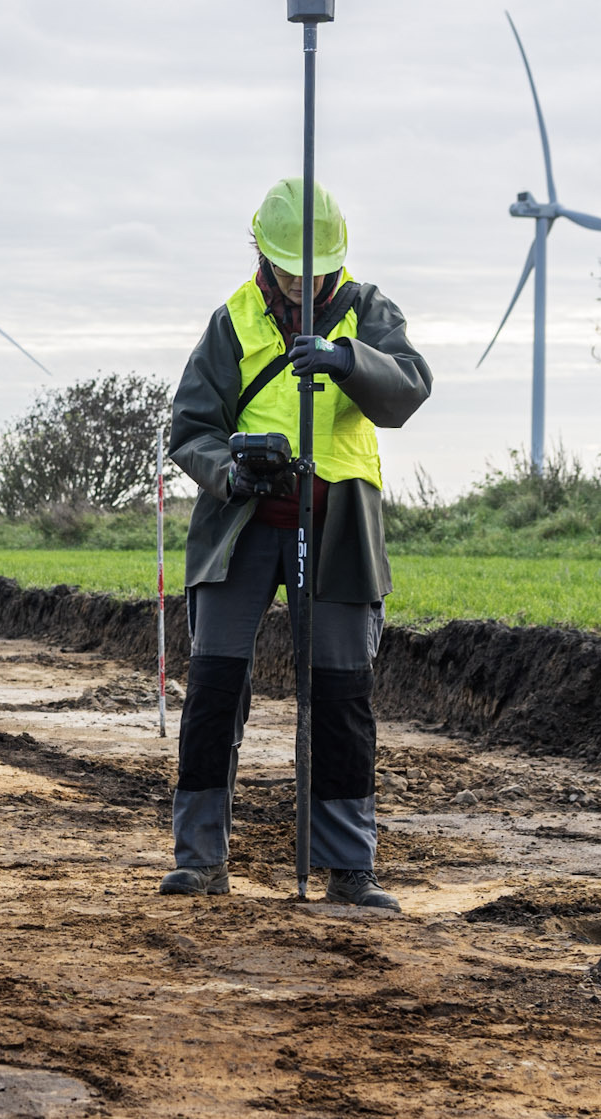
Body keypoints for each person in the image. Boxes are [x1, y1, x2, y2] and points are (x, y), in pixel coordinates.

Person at [161, 177, 432, 908]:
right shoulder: (233, 321)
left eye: (313, 268)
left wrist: (347, 361)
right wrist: (230, 470)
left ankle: (349, 867)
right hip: (241, 527)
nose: (302, 281)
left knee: (341, 694)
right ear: (262, 254)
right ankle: (199, 859)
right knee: (214, 689)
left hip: (338, 526)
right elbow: (189, 429)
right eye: (288, 268)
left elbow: (408, 389)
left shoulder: (367, 311)